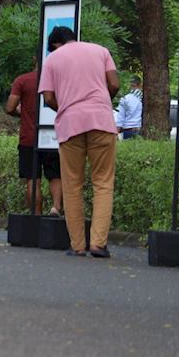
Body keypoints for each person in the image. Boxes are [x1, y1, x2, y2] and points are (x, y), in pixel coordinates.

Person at [38, 26, 120, 258]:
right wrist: (102, 103)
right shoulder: (101, 51)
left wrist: (65, 108)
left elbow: (48, 97)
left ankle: (77, 246)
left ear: (55, 44)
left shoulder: (53, 60)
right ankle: (98, 243)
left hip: (70, 125)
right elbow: (114, 84)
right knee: (103, 182)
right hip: (101, 121)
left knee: (72, 185)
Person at [5, 54, 62, 216]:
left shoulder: (22, 81)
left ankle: (35, 216)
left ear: (34, 60)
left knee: (32, 178)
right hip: (53, 136)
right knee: (56, 175)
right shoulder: (59, 80)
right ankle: (56, 207)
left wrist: (21, 113)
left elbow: (10, 107)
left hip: (29, 138)